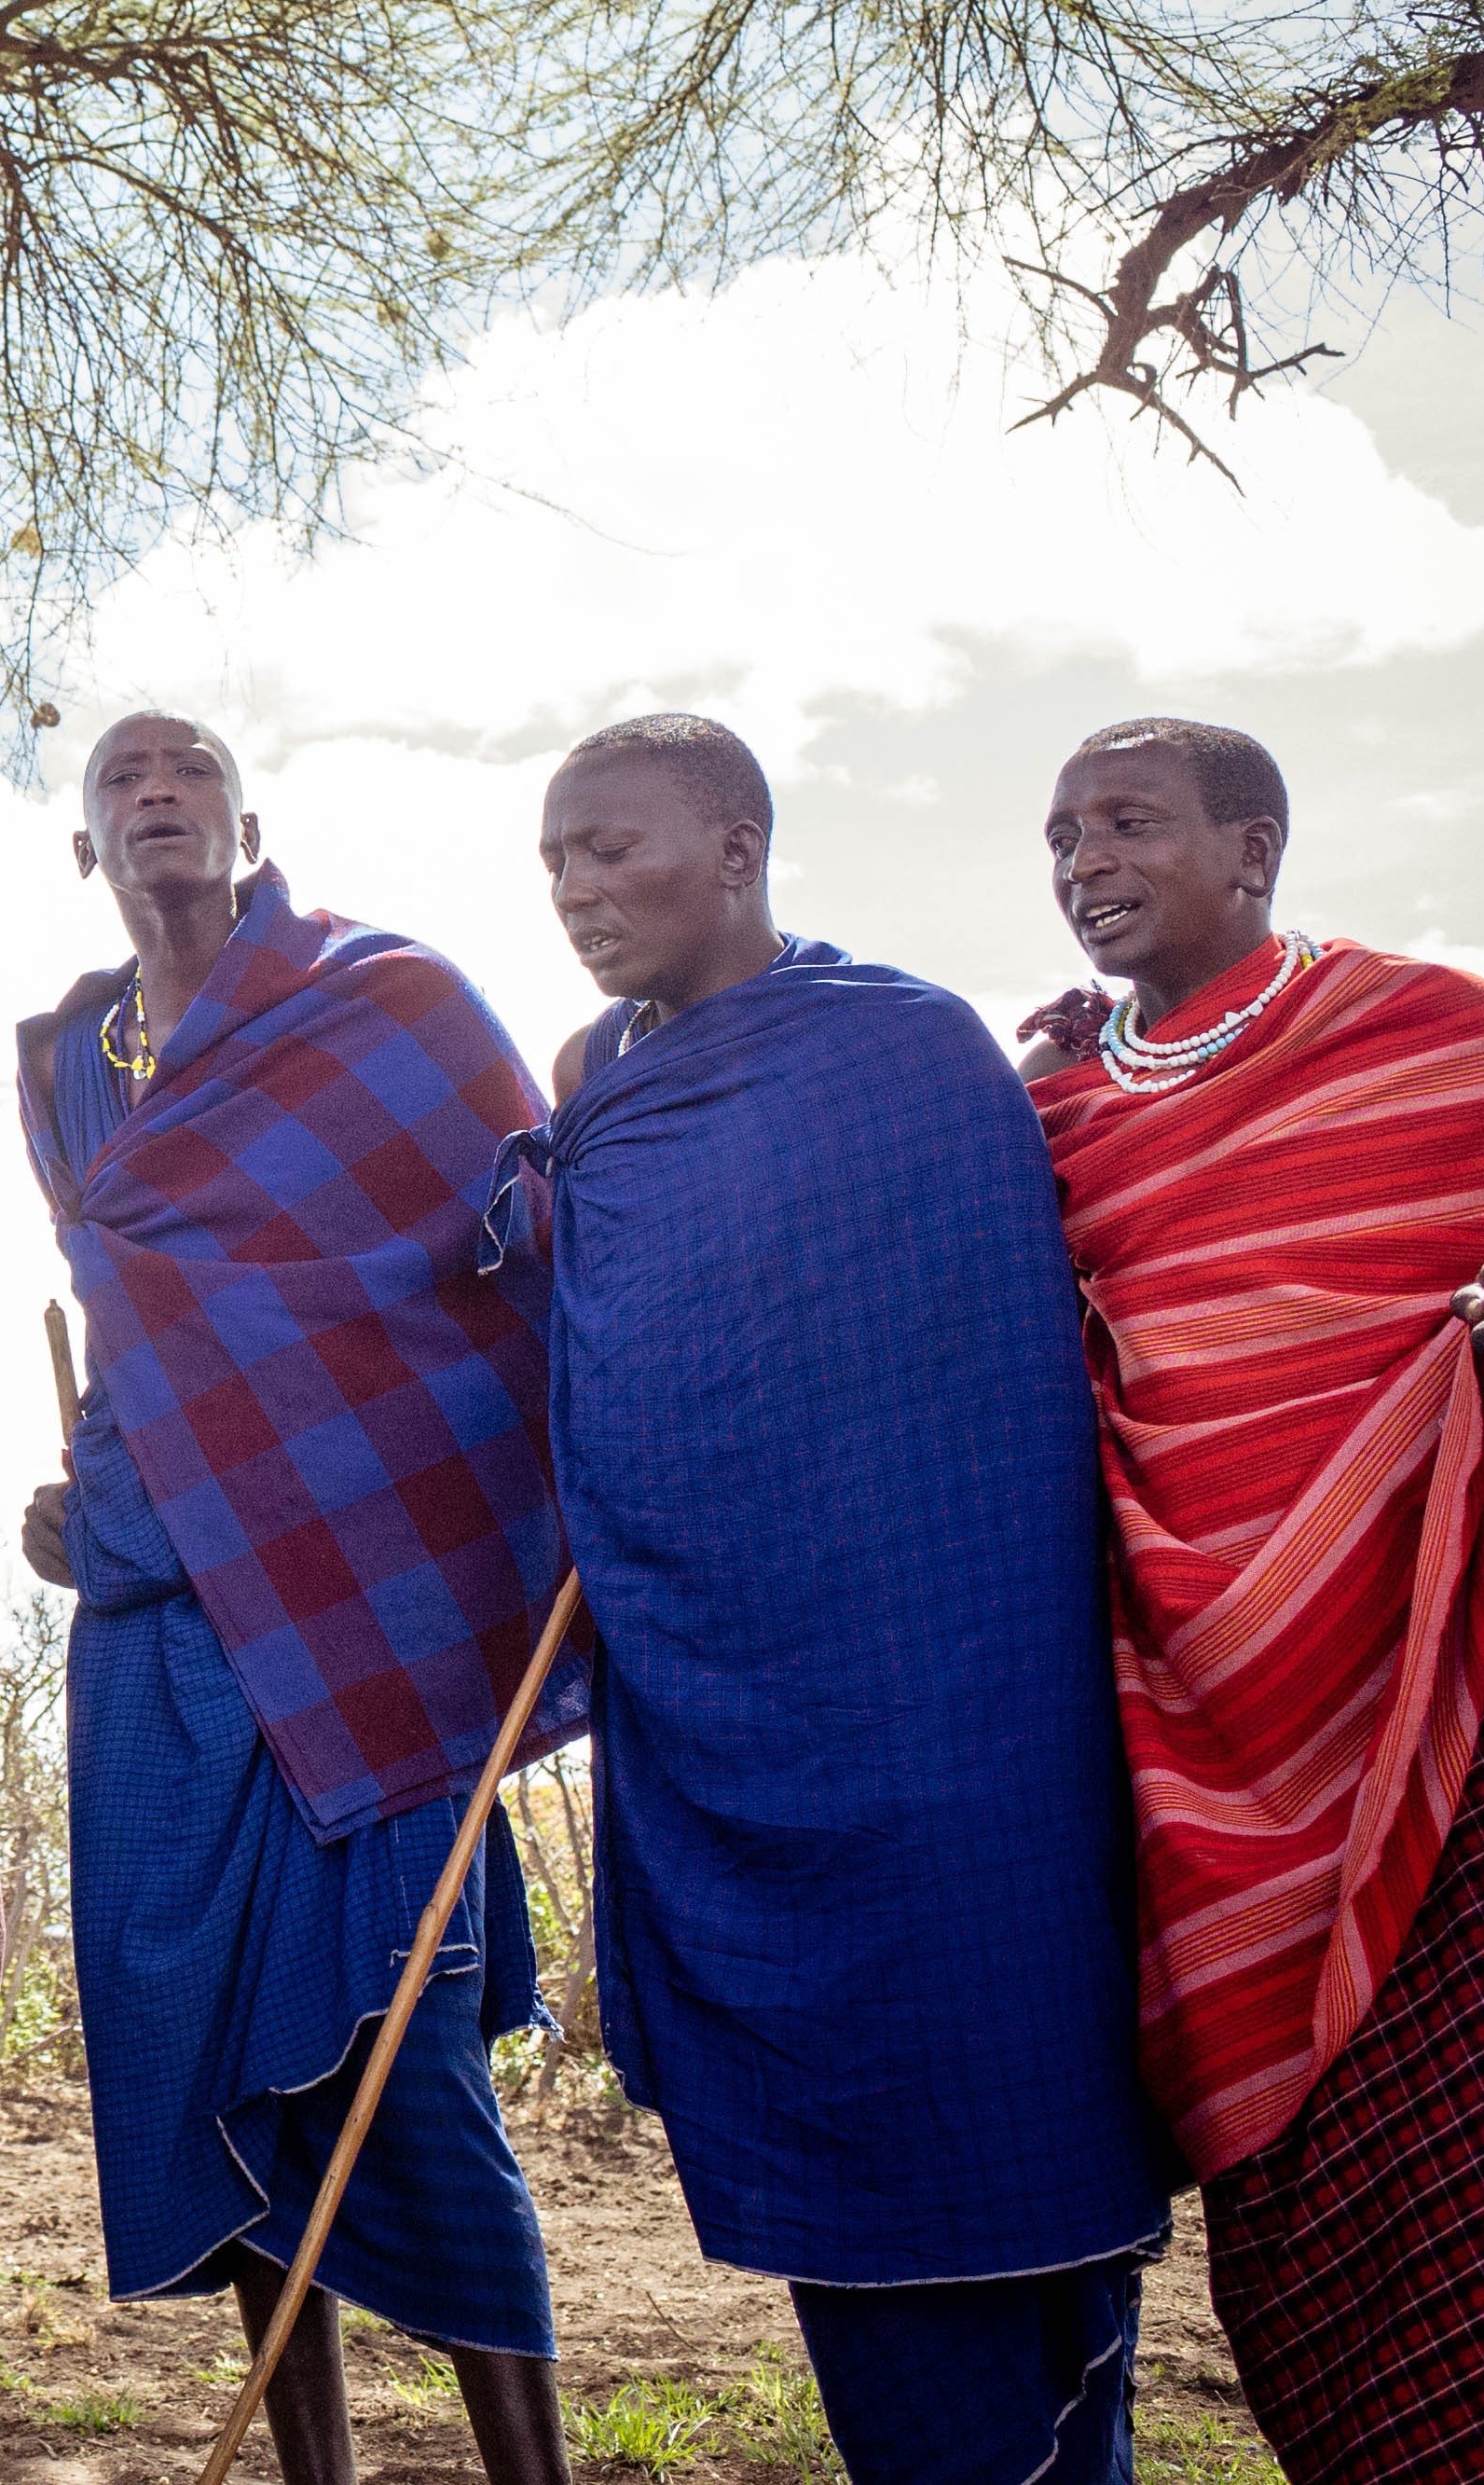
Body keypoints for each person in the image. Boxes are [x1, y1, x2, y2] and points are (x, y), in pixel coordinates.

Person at [516, 712, 1175, 2485]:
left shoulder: (905, 1053)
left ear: (738, 846)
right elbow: (604, 1373)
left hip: (965, 1699)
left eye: (613, 849)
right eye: (555, 862)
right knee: (850, 2169)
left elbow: (1001, 1383)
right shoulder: (596, 1085)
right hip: (729, 1716)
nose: (576, 891)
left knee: (1017, 2097)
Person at [1011, 719, 1484, 2479]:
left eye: (1127, 822)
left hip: (1456, 1709)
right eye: (1060, 837)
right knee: (1311, 2217)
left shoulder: (1438, 1038)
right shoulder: (1044, 1109)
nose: (1083, 861)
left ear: (1254, 849)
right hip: (1211, 1751)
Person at [11, 717, 574, 2485]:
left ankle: (531, 2471)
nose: (153, 793)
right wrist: (91, 1487)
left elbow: (526, 1262)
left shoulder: (387, 1008)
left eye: (186, 771)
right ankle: (313, 2472)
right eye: (120, 781)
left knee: (408, 2063)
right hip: (159, 1618)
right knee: (214, 2054)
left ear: (255, 824)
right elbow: (148, 1331)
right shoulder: (61, 1069)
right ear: (86, 846)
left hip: (364, 1609)